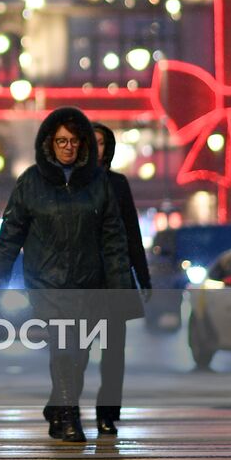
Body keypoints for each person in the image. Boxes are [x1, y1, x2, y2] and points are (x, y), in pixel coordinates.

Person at [0, 107, 132, 443]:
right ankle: (69, 418)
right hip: (46, 283)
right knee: (64, 349)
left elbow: (114, 239)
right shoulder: (31, 182)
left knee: (78, 355)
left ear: (83, 146)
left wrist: (121, 289)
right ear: (49, 144)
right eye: (61, 140)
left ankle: (57, 405)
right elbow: (10, 235)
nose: (68, 147)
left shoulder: (98, 184)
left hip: (88, 284)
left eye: (74, 141)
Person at [91, 122, 150, 436]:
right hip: (80, 281)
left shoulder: (118, 183)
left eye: (101, 143)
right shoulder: (67, 183)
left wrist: (142, 276)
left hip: (114, 279)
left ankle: (108, 413)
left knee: (113, 353)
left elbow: (132, 233)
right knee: (71, 351)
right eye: (91, 142)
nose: (96, 148)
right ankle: (64, 408)